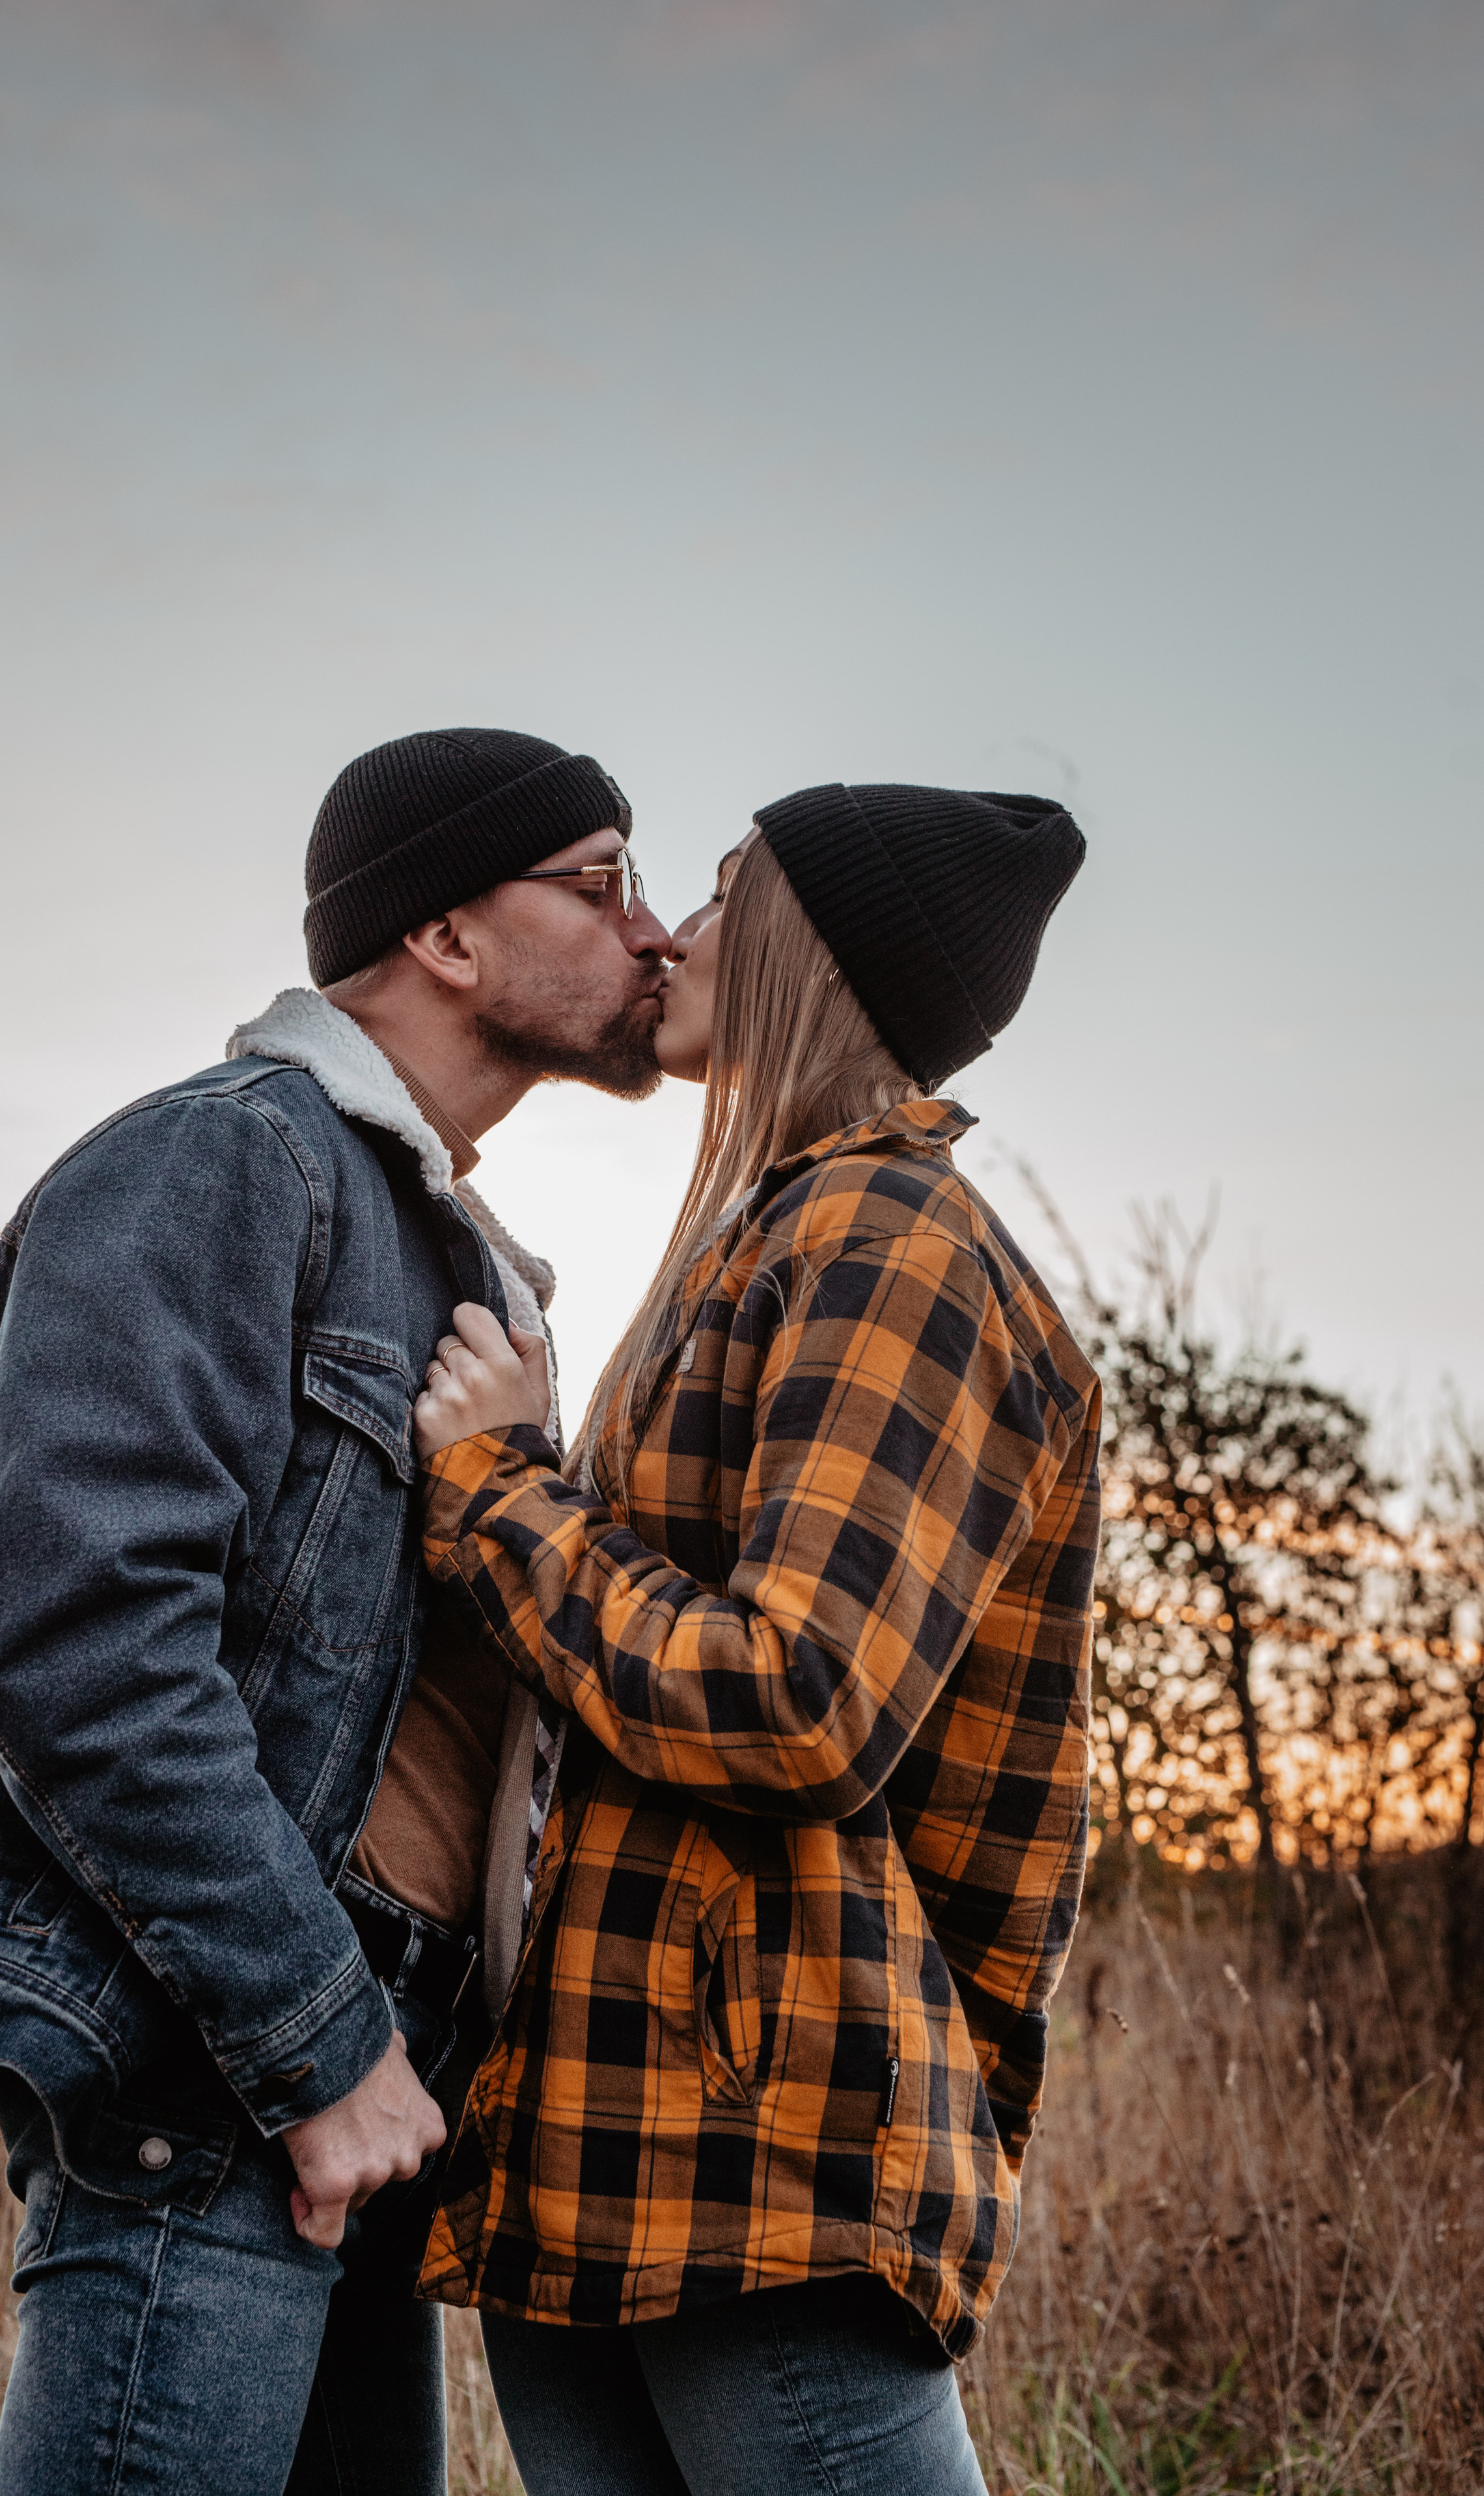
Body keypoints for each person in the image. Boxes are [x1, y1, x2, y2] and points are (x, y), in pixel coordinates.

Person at [0, 727, 673, 2496]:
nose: (656, 934)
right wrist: (316, 2042)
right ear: (445, 935)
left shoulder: (463, 1259)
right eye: (601, 884)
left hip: (376, 2072)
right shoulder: (220, 1166)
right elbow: (74, 1633)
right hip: (223, 2068)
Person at [409, 782, 1102, 2496]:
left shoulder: (894, 1245)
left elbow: (800, 1699)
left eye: (722, 892)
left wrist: (499, 1492)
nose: (674, 931)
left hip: (756, 2144)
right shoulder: (774, 1237)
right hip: (604, 2126)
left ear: (809, 946)